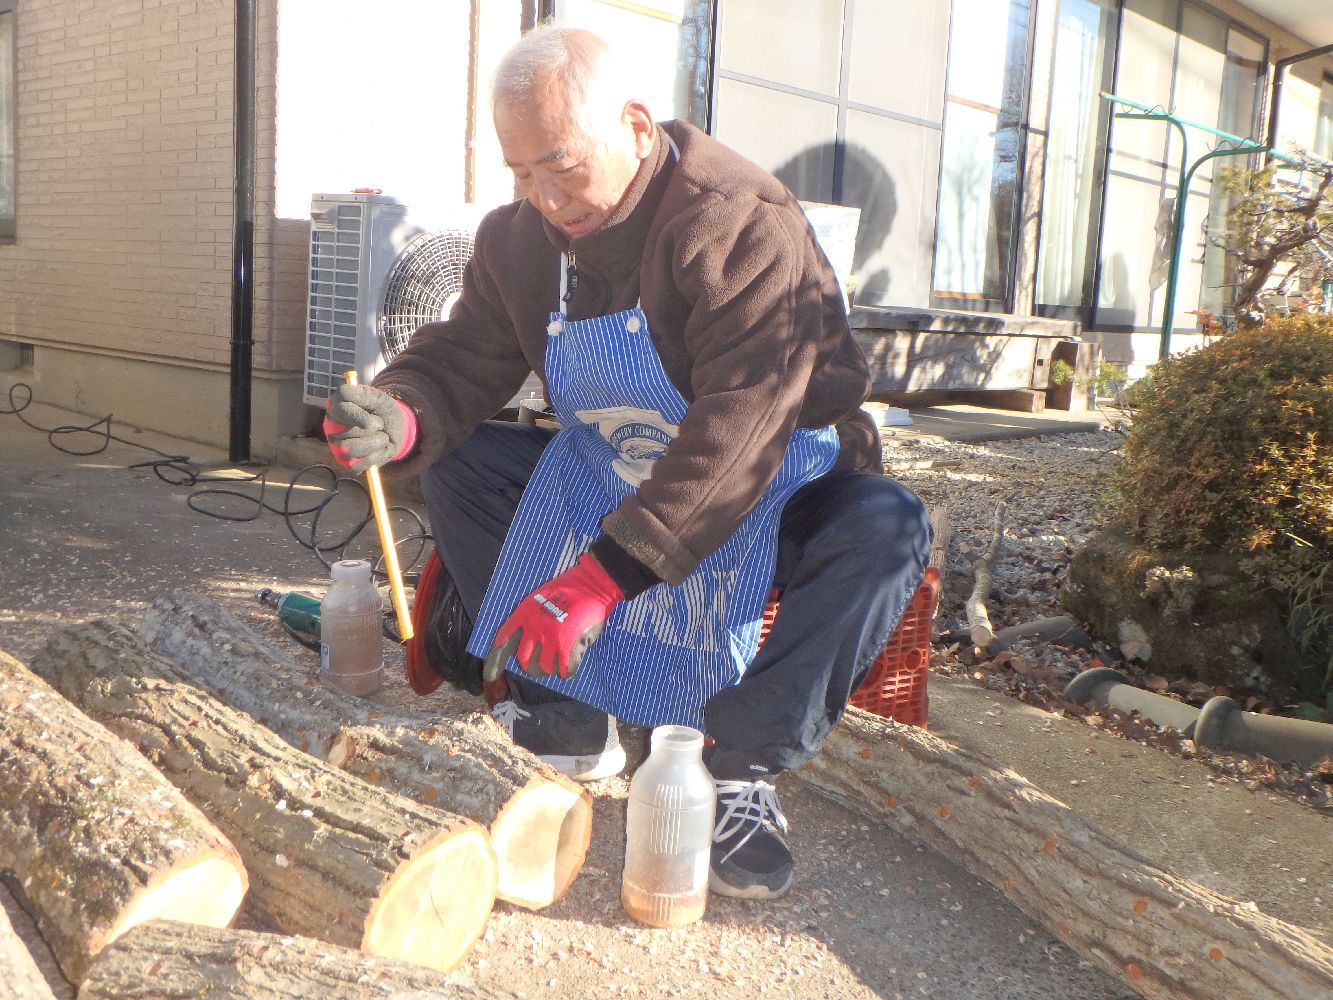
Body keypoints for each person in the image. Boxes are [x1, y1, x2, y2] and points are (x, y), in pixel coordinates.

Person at [324, 24, 930, 901]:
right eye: (520, 174)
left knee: (887, 527)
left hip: (770, 478)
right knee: (462, 461)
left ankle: (734, 763)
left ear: (637, 127)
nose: (545, 198)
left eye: (561, 166)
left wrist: (603, 577)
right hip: (617, 466)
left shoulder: (737, 223)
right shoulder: (517, 241)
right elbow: (464, 353)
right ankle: (562, 705)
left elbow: (742, 424)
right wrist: (404, 411)